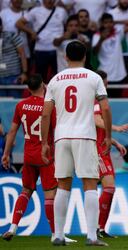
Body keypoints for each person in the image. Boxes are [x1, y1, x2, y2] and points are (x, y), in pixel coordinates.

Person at [40, 41, 112, 246]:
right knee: (89, 184)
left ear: (65, 57)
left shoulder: (55, 80)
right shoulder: (94, 77)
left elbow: (46, 114)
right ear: (85, 56)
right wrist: (107, 134)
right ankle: (91, 236)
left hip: (61, 137)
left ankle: (59, 235)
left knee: (62, 186)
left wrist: (44, 142)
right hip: (85, 136)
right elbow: (105, 108)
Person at [1, 75, 75, 243]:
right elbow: (58, 130)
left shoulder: (20, 105)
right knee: (50, 196)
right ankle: (56, 234)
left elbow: (12, 131)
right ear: (43, 85)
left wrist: (5, 154)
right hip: (45, 155)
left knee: (26, 191)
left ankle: (13, 227)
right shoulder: (49, 107)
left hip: (28, 155)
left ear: (28, 88)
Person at [94, 70, 128, 238]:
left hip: (104, 147)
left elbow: (99, 127)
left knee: (103, 189)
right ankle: (96, 227)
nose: (106, 85)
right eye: (104, 82)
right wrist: (116, 128)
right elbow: (97, 120)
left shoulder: (100, 99)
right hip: (96, 150)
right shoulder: (94, 99)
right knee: (108, 187)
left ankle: (99, 228)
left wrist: (115, 142)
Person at [16, 0, 67, 83]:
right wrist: (31, 32)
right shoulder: (35, 11)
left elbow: (68, 25)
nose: (50, 1)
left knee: (60, 78)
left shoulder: (62, 11)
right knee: (40, 79)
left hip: (58, 49)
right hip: (41, 49)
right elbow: (19, 23)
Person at [92, 13, 128, 97]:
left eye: (110, 22)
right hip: (105, 75)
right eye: (106, 22)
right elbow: (94, 52)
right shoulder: (97, 36)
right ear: (102, 24)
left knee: (117, 102)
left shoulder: (118, 33)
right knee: (105, 102)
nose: (108, 25)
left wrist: (116, 22)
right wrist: (101, 39)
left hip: (119, 75)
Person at [0, 16, 28, 98]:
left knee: (15, 104)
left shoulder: (11, 36)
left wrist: (24, 73)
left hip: (13, 77)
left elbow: (22, 54)